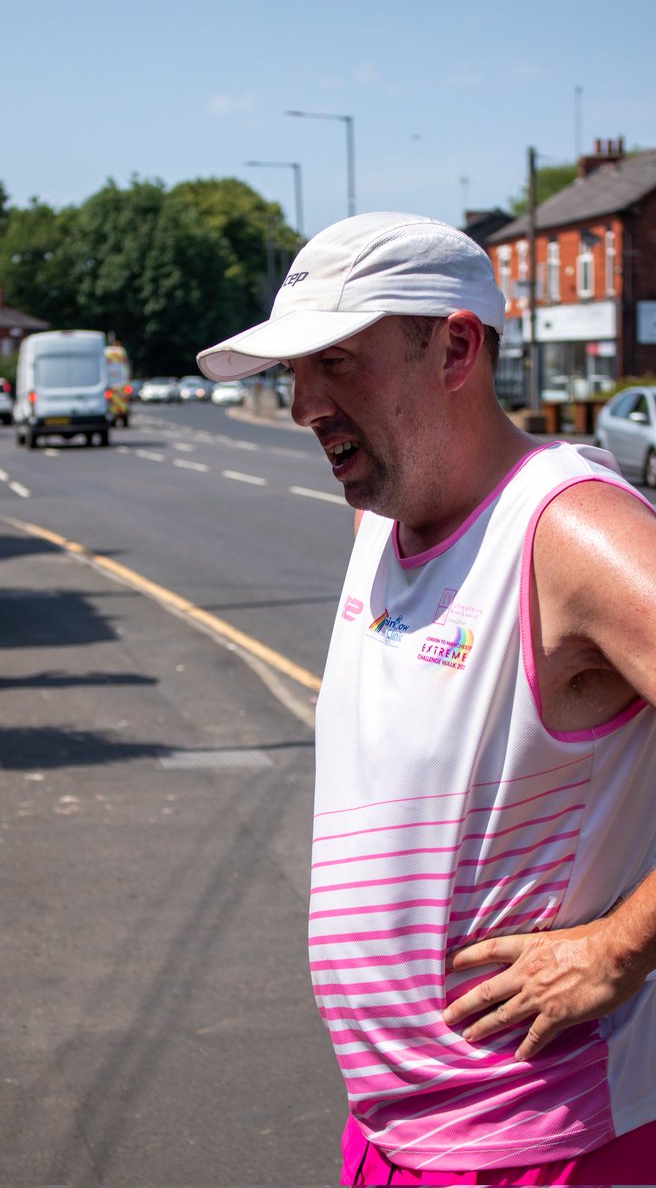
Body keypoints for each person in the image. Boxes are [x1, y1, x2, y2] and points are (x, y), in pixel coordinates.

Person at [197, 213, 656, 1185]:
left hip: (548, 1144)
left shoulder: (569, 531)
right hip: (391, 1130)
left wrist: (619, 949)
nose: (302, 405)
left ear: (454, 349)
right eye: (294, 371)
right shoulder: (382, 518)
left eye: (335, 363)